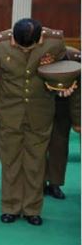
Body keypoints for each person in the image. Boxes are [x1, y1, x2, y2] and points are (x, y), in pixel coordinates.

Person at [0, 19, 73, 225]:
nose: (23, 51)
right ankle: (11, 207)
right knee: (11, 160)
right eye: (18, 46)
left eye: (30, 48)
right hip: (9, 109)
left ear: (40, 38)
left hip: (40, 109)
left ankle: (33, 209)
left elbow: (63, 68)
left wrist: (65, 85)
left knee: (36, 161)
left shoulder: (55, 42)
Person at [44, 46, 81, 200]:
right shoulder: (37, 54)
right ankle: (37, 183)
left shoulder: (75, 57)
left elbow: (78, 92)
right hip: (40, 106)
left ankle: (55, 183)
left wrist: (77, 120)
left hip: (64, 107)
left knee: (59, 146)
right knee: (36, 147)